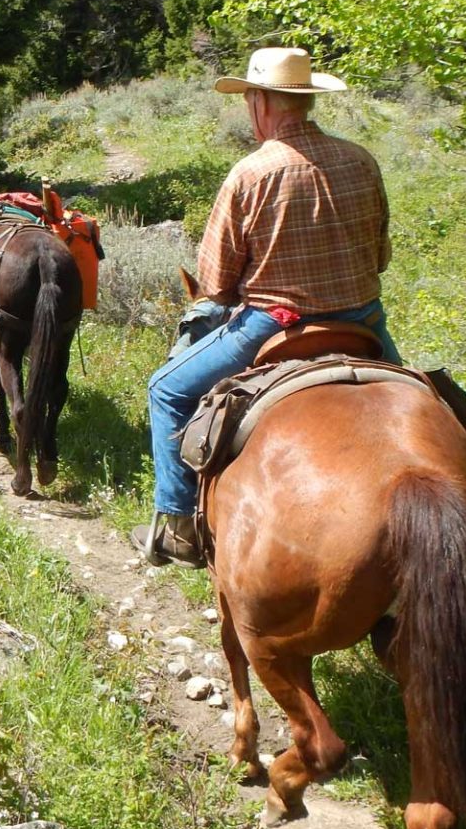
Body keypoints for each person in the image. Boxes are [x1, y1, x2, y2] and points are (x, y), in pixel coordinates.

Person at [132, 46, 402, 568]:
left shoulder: (251, 174)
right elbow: (381, 257)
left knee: (165, 390)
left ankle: (180, 526)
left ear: (261, 103)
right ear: (304, 102)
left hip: (274, 325)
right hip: (363, 320)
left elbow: (213, 282)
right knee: (432, 402)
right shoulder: (361, 160)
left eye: (250, 99)